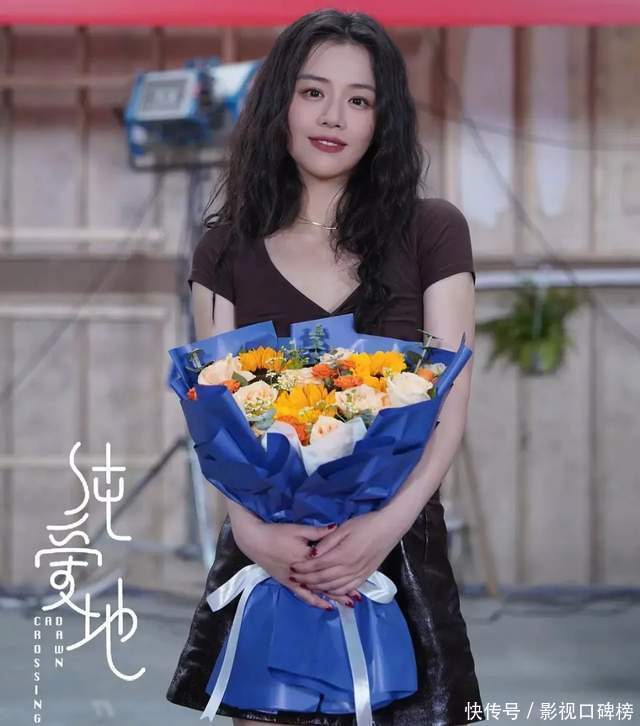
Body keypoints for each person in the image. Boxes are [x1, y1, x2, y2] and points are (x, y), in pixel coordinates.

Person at [166, 9, 485, 726]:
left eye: (358, 99)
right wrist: (255, 534)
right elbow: (216, 415)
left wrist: (382, 529)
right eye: (313, 92)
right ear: (280, 102)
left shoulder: (433, 230)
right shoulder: (224, 250)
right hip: (271, 551)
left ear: (382, 119)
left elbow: (451, 402)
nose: (332, 116)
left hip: (398, 547)